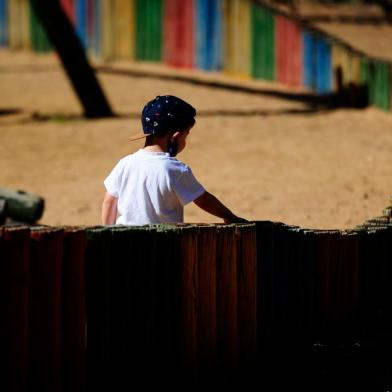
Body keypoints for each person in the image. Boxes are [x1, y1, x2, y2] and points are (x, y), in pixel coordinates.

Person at [101, 95, 247, 226]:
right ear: (176, 136)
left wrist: (108, 233)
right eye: (186, 135)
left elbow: (109, 201)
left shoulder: (125, 163)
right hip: (163, 245)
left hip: (125, 243)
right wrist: (229, 216)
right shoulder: (175, 169)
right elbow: (203, 199)